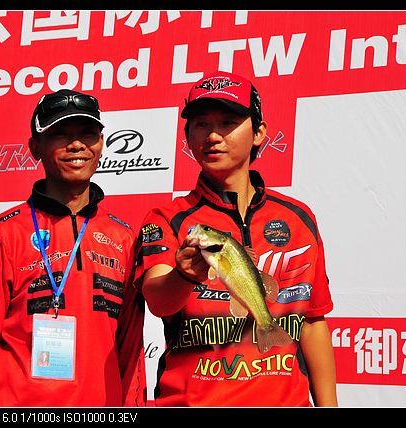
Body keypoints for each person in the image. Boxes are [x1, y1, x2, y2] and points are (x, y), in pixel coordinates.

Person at [133, 71, 338, 407]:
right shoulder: (167, 218)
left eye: (227, 122)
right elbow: (158, 301)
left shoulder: (298, 217)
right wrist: (183, 275)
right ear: (187, 138)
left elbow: (313, 322)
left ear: (259, 133)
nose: (213, 135)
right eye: (201, 124)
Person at [0, 89, 146, 407]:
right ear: (35, 147)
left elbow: (131, 353)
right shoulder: (3, 233)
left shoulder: (124, 238)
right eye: (60, 134)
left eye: (87, 133)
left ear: (101, 143)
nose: (76, 145)